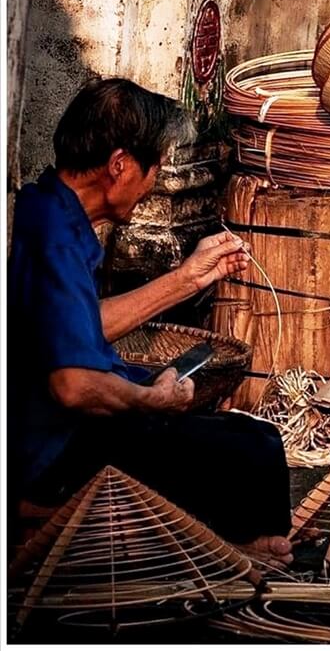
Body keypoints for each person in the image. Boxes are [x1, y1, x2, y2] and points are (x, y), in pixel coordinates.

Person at [9, 79, 293, 565]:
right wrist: (148, 399)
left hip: (51, 429)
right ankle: (234, 553)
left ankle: (254, 536)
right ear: (119, 165)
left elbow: (75, 326)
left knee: (244, 435)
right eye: (155, 166)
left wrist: (188, 278)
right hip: (50, 451)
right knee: (250, 448)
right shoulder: (56, 238)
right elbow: (74, 386)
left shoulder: (47, 208)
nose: (154, 182)